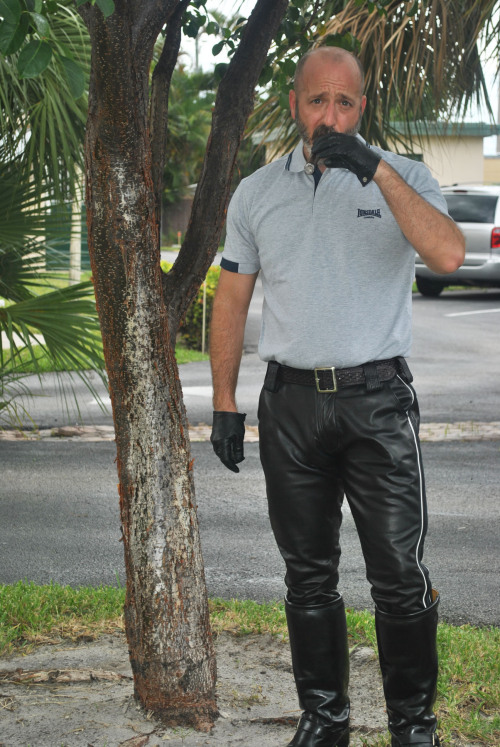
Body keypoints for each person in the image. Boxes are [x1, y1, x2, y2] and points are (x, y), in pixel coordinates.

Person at [209, 46, 465, 747]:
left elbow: (447, 255)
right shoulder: (257, 192)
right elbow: (231, 298)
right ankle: (325, 718)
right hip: (289, 407)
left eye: (344, 102)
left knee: (398, 575)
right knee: (308, 575)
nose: (329, 114)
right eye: (316, 100)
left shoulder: (404, 178)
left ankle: (414, 725)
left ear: (361, 109)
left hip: (376, 403)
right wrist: (224, 401)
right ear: (295, 105)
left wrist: (374, 169)